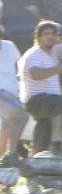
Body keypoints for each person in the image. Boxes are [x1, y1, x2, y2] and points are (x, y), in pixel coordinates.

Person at [19, 21, 62, 156]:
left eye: (53, 34)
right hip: (37, 100)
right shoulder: (34, 54)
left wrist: (61, 37)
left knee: (43, 132)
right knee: (61, 104)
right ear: (38, 37)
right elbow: (35, 74)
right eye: (46, 34)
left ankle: (34, 159)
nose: (50, 37)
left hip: (48, 102)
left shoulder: (53, 53)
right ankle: (56, 142)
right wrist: (58, 69)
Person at [0, 26, 26, 166]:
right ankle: (12, 154)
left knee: (6, 129)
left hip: (12, 94)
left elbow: (20, 66)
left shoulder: (9, 46)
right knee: (21, 116)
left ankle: (3, 163)